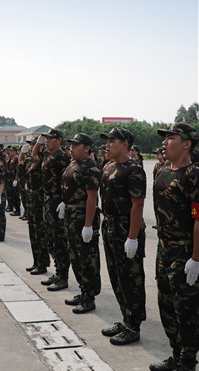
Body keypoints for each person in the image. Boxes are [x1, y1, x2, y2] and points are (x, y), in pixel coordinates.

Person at [150, 122, 199, 371]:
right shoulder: (161, 171)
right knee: (166, 305)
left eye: (171, 137)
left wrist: (196, 258)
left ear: (187, 144)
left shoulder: (194, 176)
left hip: (184, 251)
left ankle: (188, 363)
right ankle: (176, 354)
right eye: (165, 137)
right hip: (164, 248)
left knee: (186, 309)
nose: (165, 142)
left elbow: (198, 219)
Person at [99, 127, 147, 345]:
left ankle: (133, 326)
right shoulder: (109, 166)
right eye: (107, 141)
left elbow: (138, 205)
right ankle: (125, 318)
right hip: (109, 225)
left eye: (112, 141)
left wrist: (133, 237)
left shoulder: (134, 169)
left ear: (125, 144)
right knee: (116, 275)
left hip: (126, 227)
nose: (107, 145)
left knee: (131, 278)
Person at [61, 134, 102, 314]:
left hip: (83, 216)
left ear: (86, 148)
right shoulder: (72, 164)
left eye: (76, 145)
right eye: (72, 144)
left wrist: (88, 225)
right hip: (71, 215)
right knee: (75, 256)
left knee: (87, 258)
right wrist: (64, 202)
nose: (72, 147)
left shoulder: (90, 167)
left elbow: (92, 197)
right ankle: (83, 290)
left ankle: (89, 297)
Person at [33, 128, 71, 291]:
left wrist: (64, 200)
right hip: (47, 200)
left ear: (59, 140)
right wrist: (39, 141)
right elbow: (34, 154)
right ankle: (57, 273)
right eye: (46, 139)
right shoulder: (47, 155)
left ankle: (63, 277)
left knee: (59, 241)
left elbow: (67, 181)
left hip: (57, 201)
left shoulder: (63, 158)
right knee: (50, 240)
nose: (47, 141)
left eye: (50, 139)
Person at [21, 137, 50, 275]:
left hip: (39, 198)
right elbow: (20, 162)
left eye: (33, 145)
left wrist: (39, 143)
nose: (31, 147)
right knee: (32, 232)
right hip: (31, 197)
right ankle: (36, 261)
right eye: (31, 145)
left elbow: (35, 152)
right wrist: (22, 152)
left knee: (40, 233)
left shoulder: (43, 158)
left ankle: (42, 263)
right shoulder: (30, 161)